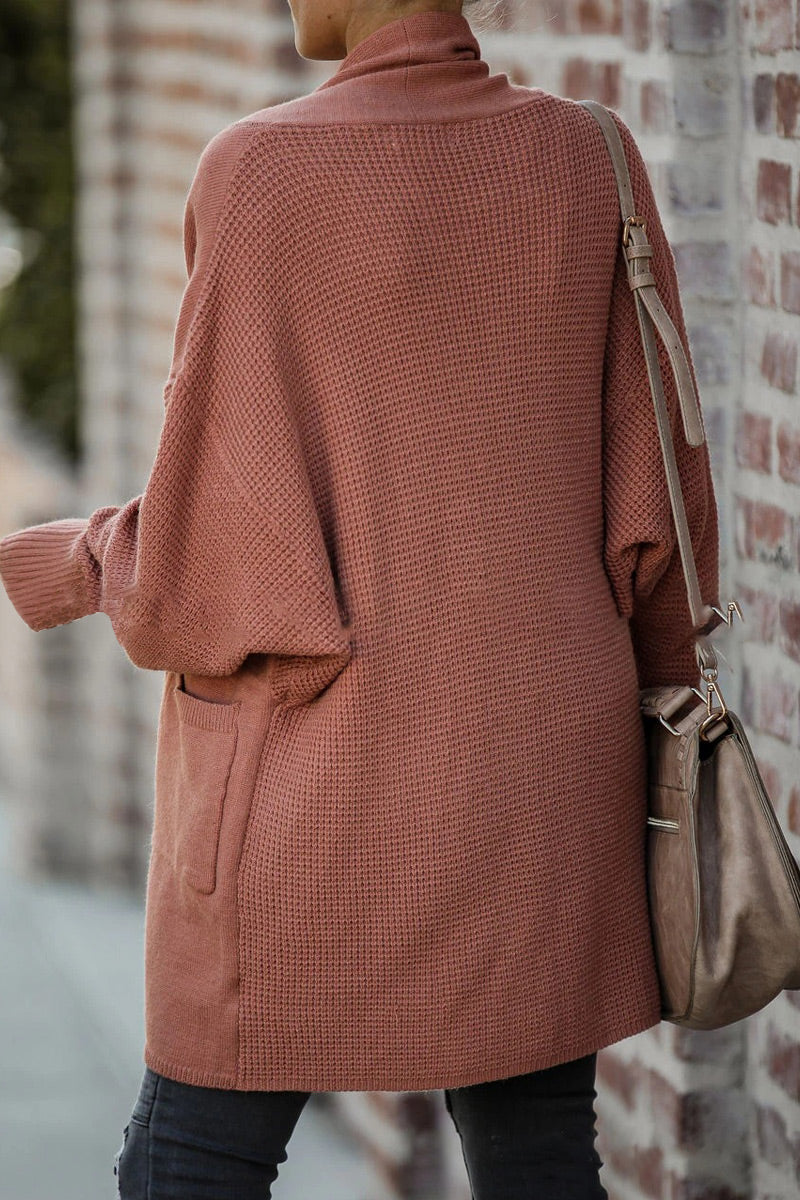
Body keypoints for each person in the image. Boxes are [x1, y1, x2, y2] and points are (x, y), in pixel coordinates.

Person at [0, 0, 723, 1196]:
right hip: (543, 765)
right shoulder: (587, 154)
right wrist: (654, 715)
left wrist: (71, 561)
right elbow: (659, 511)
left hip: (320, 780)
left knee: (192, 1156)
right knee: (538, 1158)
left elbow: (212, 550)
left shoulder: (259, 170)